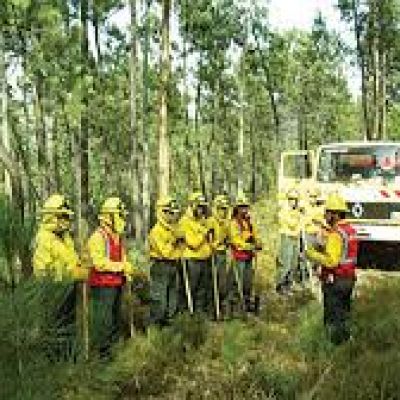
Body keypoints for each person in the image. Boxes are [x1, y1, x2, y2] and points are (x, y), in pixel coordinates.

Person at [33, 194, 88, 360]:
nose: (66, 220)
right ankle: (54, 362)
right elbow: (44, 271)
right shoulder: (43, 239)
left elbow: (71, 260)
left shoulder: (65, 237)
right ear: (53, 216)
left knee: (69, 324)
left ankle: (68, 358)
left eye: (66, 217)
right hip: (53, 291)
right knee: (56, 326)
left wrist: (81, 264)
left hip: (68, 288)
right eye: (63, 216)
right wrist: (72, 274)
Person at [306, 193, 358, 345]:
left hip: (336, 280)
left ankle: (332, 345)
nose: (325, 216)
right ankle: (346, 341)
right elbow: (344, 252)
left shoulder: (336, 234)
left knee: (332, 316)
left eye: (327, 212)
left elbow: (332, 261)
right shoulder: (350, 231)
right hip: (349, 278)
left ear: (335, 214)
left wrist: (312, 254)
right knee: (344, 313)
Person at [87, 197, 135, 356]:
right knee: (104, 320)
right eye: (119, 215)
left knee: (116, 318)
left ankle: (114, 351)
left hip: (116, 284)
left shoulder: (117, 236)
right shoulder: (97, 237)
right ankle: (102, 354)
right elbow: (99, 263)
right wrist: (121, 267)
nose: (122, 219)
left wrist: (127, 269)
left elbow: (122, 256)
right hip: (102, 287)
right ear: (109, 217)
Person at [148, 196, 183, 326]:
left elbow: (180, 251)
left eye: (172, 212)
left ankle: (169, 322)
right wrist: (174, 240)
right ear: (161, 212)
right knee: (159, 298)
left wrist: (181, 240)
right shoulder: (156, 231)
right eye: (167, 212)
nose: (171, 215)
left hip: (173, 265)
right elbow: (165, 253)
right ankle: (156, 324)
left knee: (173, 295)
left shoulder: (173, 228)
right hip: (160, 266)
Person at [179, 192, 213, 314]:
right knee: (191, 288)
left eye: (203, 207)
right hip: (192, 260)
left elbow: (209, 241)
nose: (201, 210)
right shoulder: (185, 222)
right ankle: (186, 313)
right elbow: (193, 244)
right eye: (198, 207)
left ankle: (200, 314)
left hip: (205, 258)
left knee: (203, 289)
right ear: (192, 205)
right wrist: (204, 232)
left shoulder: (203, 221)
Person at [229, 194, 262, 311]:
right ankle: (235, 305)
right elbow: (236, 241)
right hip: (239, 257)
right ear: (237, 208)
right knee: (237, 281)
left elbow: (254, 235)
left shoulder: (248, 222)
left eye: (245, 207)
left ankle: (247, 302)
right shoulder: (234, 223)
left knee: (248, 281)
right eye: (241, 207)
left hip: (249, 257)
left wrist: (258, 243)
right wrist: (250, 246)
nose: (244, 210)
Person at [207, 194, 231, 316]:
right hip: (212, 255)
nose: (223, 212)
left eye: (224, 209)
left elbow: (227, 238)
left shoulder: (226, 223)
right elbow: (210, 241)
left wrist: (227, 241)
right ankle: (211, 308)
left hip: (222, 253)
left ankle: (221, 306)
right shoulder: (211, 222)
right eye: (221, 209)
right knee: (212, 281)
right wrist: (217, 242)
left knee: (222, 282)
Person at [276, 189, 301, 295]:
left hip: (295, 238)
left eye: (295, 199)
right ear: (287, 199)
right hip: (287, 238)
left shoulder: (296, 211)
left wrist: (298, 217)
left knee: (293, 263)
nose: (293, 201)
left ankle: (289, 284)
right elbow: (292, 224)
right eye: (291, 199)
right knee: (285, 263)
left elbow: (300, 225)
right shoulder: (283, 211)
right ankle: (280, 285)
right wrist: (298, 218)